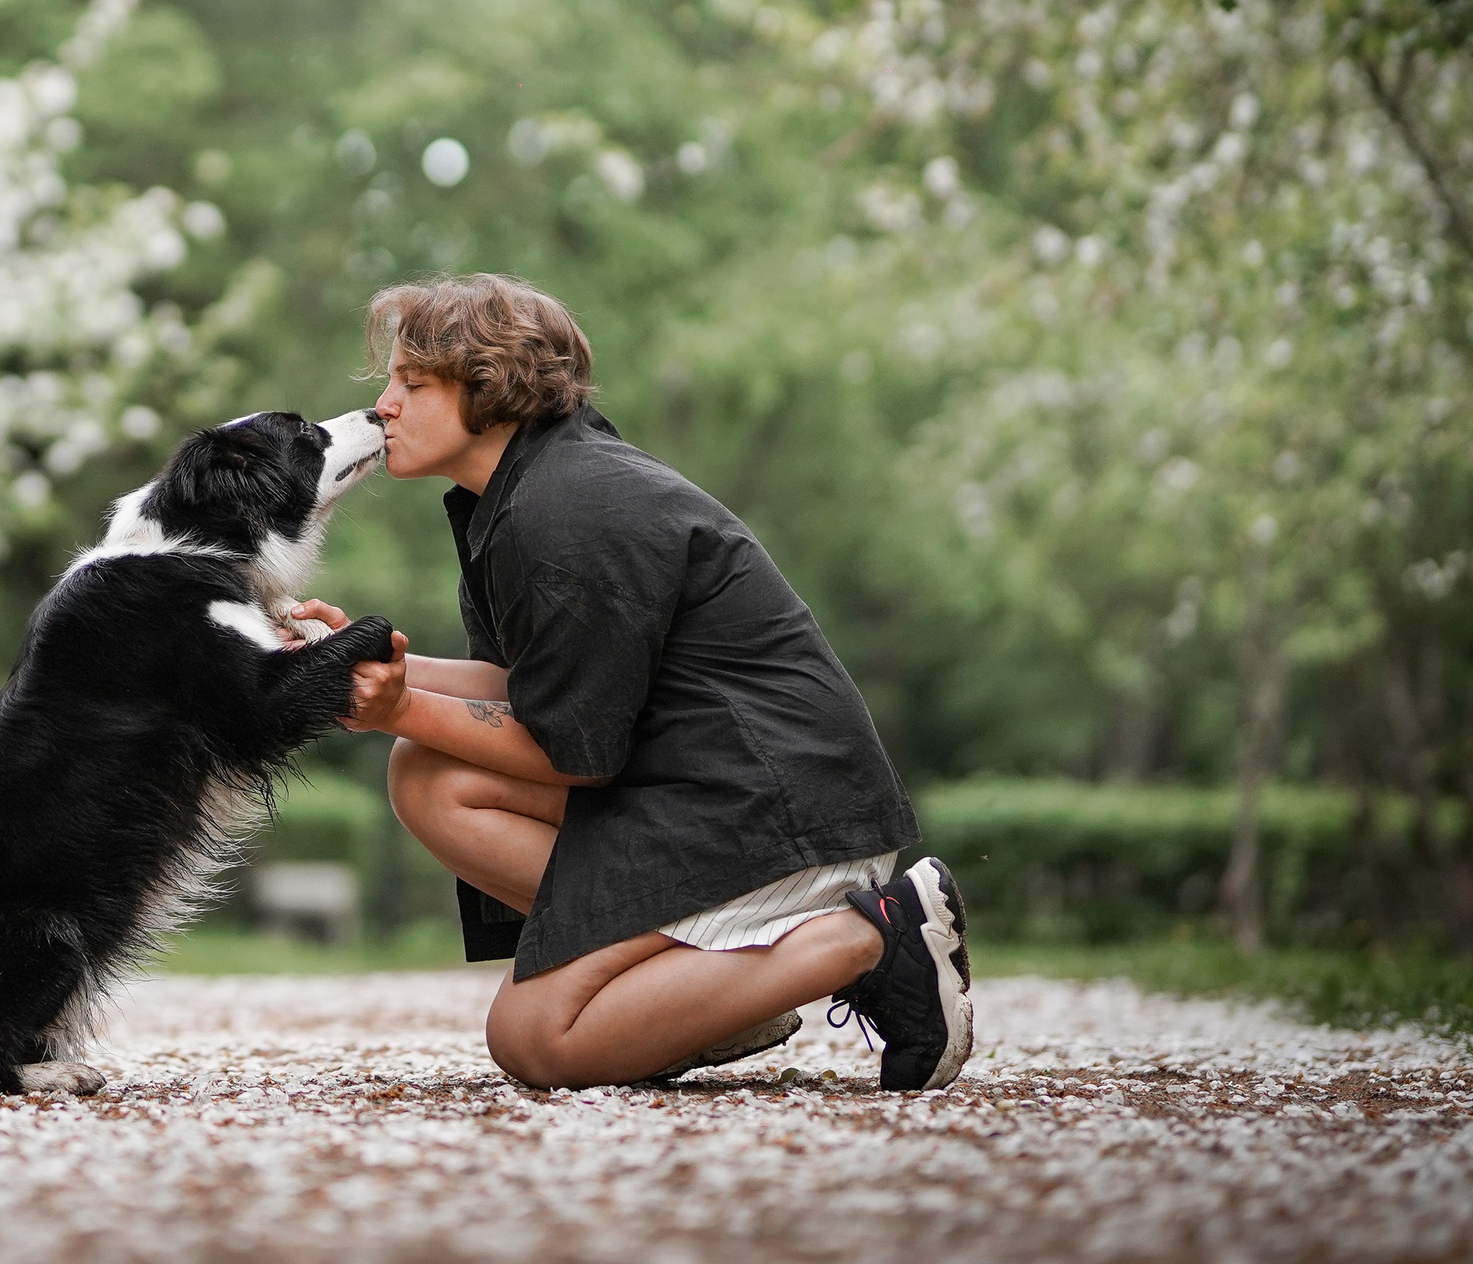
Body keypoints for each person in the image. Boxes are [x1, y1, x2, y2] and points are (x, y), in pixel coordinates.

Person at [289, 274, 973, 1090]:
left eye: (412, 383)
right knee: (431, 775)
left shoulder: (566, 511)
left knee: (535, 1040)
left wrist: (400, 706)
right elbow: (522, 686)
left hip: (775, 818)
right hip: (699, 795)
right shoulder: (525, 493)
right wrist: (359, 658)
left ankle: (868, 937)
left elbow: (571, 752)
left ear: (490, 388)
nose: (384, 406)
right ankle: (699, 998)